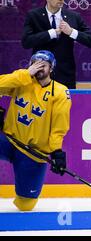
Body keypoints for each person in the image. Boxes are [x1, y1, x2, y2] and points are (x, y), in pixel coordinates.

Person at [0, 50, 71, 211]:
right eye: (35, 64)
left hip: (32, 152)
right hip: (8, 140)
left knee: (26, 204)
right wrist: (25, 74)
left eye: (43, 65)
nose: (38, 68)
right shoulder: (22, 80)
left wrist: (56, 151)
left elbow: (58, 127)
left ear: (51, 68)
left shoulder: (60, 92)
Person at [21, 0, 91, 89]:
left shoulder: (74, 17)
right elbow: (26, 42)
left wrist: (72, 32)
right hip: (40, 74)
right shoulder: (34, 15)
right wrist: (51, 33)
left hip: (65, 75)